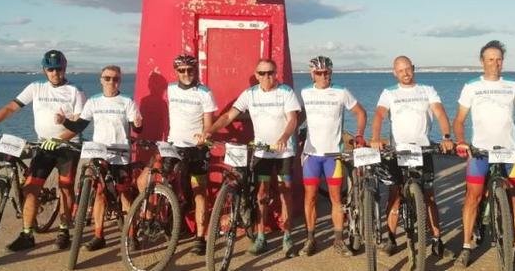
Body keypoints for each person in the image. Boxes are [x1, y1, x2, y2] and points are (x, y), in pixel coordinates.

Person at [0, 50, 86, 251]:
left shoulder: (75, 91)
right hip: (43, 146)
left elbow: (78, 125)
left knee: (66, 188)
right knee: (31, 188)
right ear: (44, 70)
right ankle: (27, 234)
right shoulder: (36, 87)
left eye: (58, 68)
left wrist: (59, 139)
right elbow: (11, 108)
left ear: (65, 68)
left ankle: (64, 230)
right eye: (50, 69)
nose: (55, 73)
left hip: (67, 147)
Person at [453, 40, 515, 269]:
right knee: (473, 197)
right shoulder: (471, 86)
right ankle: (466, 246)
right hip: (480, 153)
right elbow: (459, 120)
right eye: (490, 59)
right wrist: (461, 141)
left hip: (508, 152)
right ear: (482, 61)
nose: (495, 63)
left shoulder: (513, 85)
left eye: (499, 59)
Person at [200, 58, 300, 256]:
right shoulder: (250, 94)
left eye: (270, 72)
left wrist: (284, 137)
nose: (266, 76)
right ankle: (261, 237)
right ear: (256, 75)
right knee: (262, 193)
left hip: (284, 152)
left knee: (285, 191)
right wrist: (209, 131)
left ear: (276, 73)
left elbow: (292, 120)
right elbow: (228, 116)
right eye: (262, 73)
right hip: (262, 152)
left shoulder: (286, 92)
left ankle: (287, 236)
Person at [369, 55, 454, 258]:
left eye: (408, 69)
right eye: (400, 70)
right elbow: (379, 115)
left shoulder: (427, 90)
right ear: (394, 73)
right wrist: (375, 138)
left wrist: (446, 137)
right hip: (398, 151)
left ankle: (436, 239)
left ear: (413, 68)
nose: (405, 73)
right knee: (395, 194)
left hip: (422, 149)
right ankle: (391, 237)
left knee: (429, 196)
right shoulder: (389, 92)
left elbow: (440, 112)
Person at [55, 65, 142, 251]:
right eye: (107, 78)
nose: (111, 82)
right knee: (100, 194)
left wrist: (138, 124)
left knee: (125, 195)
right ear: (101, 80)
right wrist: (64, 121)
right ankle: (98, 236)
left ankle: (132, 235)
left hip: (120, 155)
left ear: (120, 81)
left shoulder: (127, 101)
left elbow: (138, 128)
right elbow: (79, 126)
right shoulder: (93, 101)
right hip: (99, 153)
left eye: (115, 78)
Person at [145, 54, 217, 256]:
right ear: (176, 71)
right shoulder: (170, 89)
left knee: (198, 191)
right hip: (174, 146)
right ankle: (167, 221)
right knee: (162, 184)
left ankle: (200, 237)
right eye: (182, 70)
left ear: (195, 71)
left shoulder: (205, 92)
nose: (186, 73)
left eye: (190, 70)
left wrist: (205, 135)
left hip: (196, 149)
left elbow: (209, 123)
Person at [298, 56, 368, 257]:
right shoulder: (305, 92)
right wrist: (290, 133)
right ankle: (310, 239)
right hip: (311, 156)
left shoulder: (341, 92)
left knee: (336, 199)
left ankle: (338, 240)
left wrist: (359, 135)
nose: (323, 77)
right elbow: (299, 116)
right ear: (312, 74)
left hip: (333, 155)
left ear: (331, 73)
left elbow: (361, 113)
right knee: (310, 198)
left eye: (327, 73)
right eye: (319, 73)